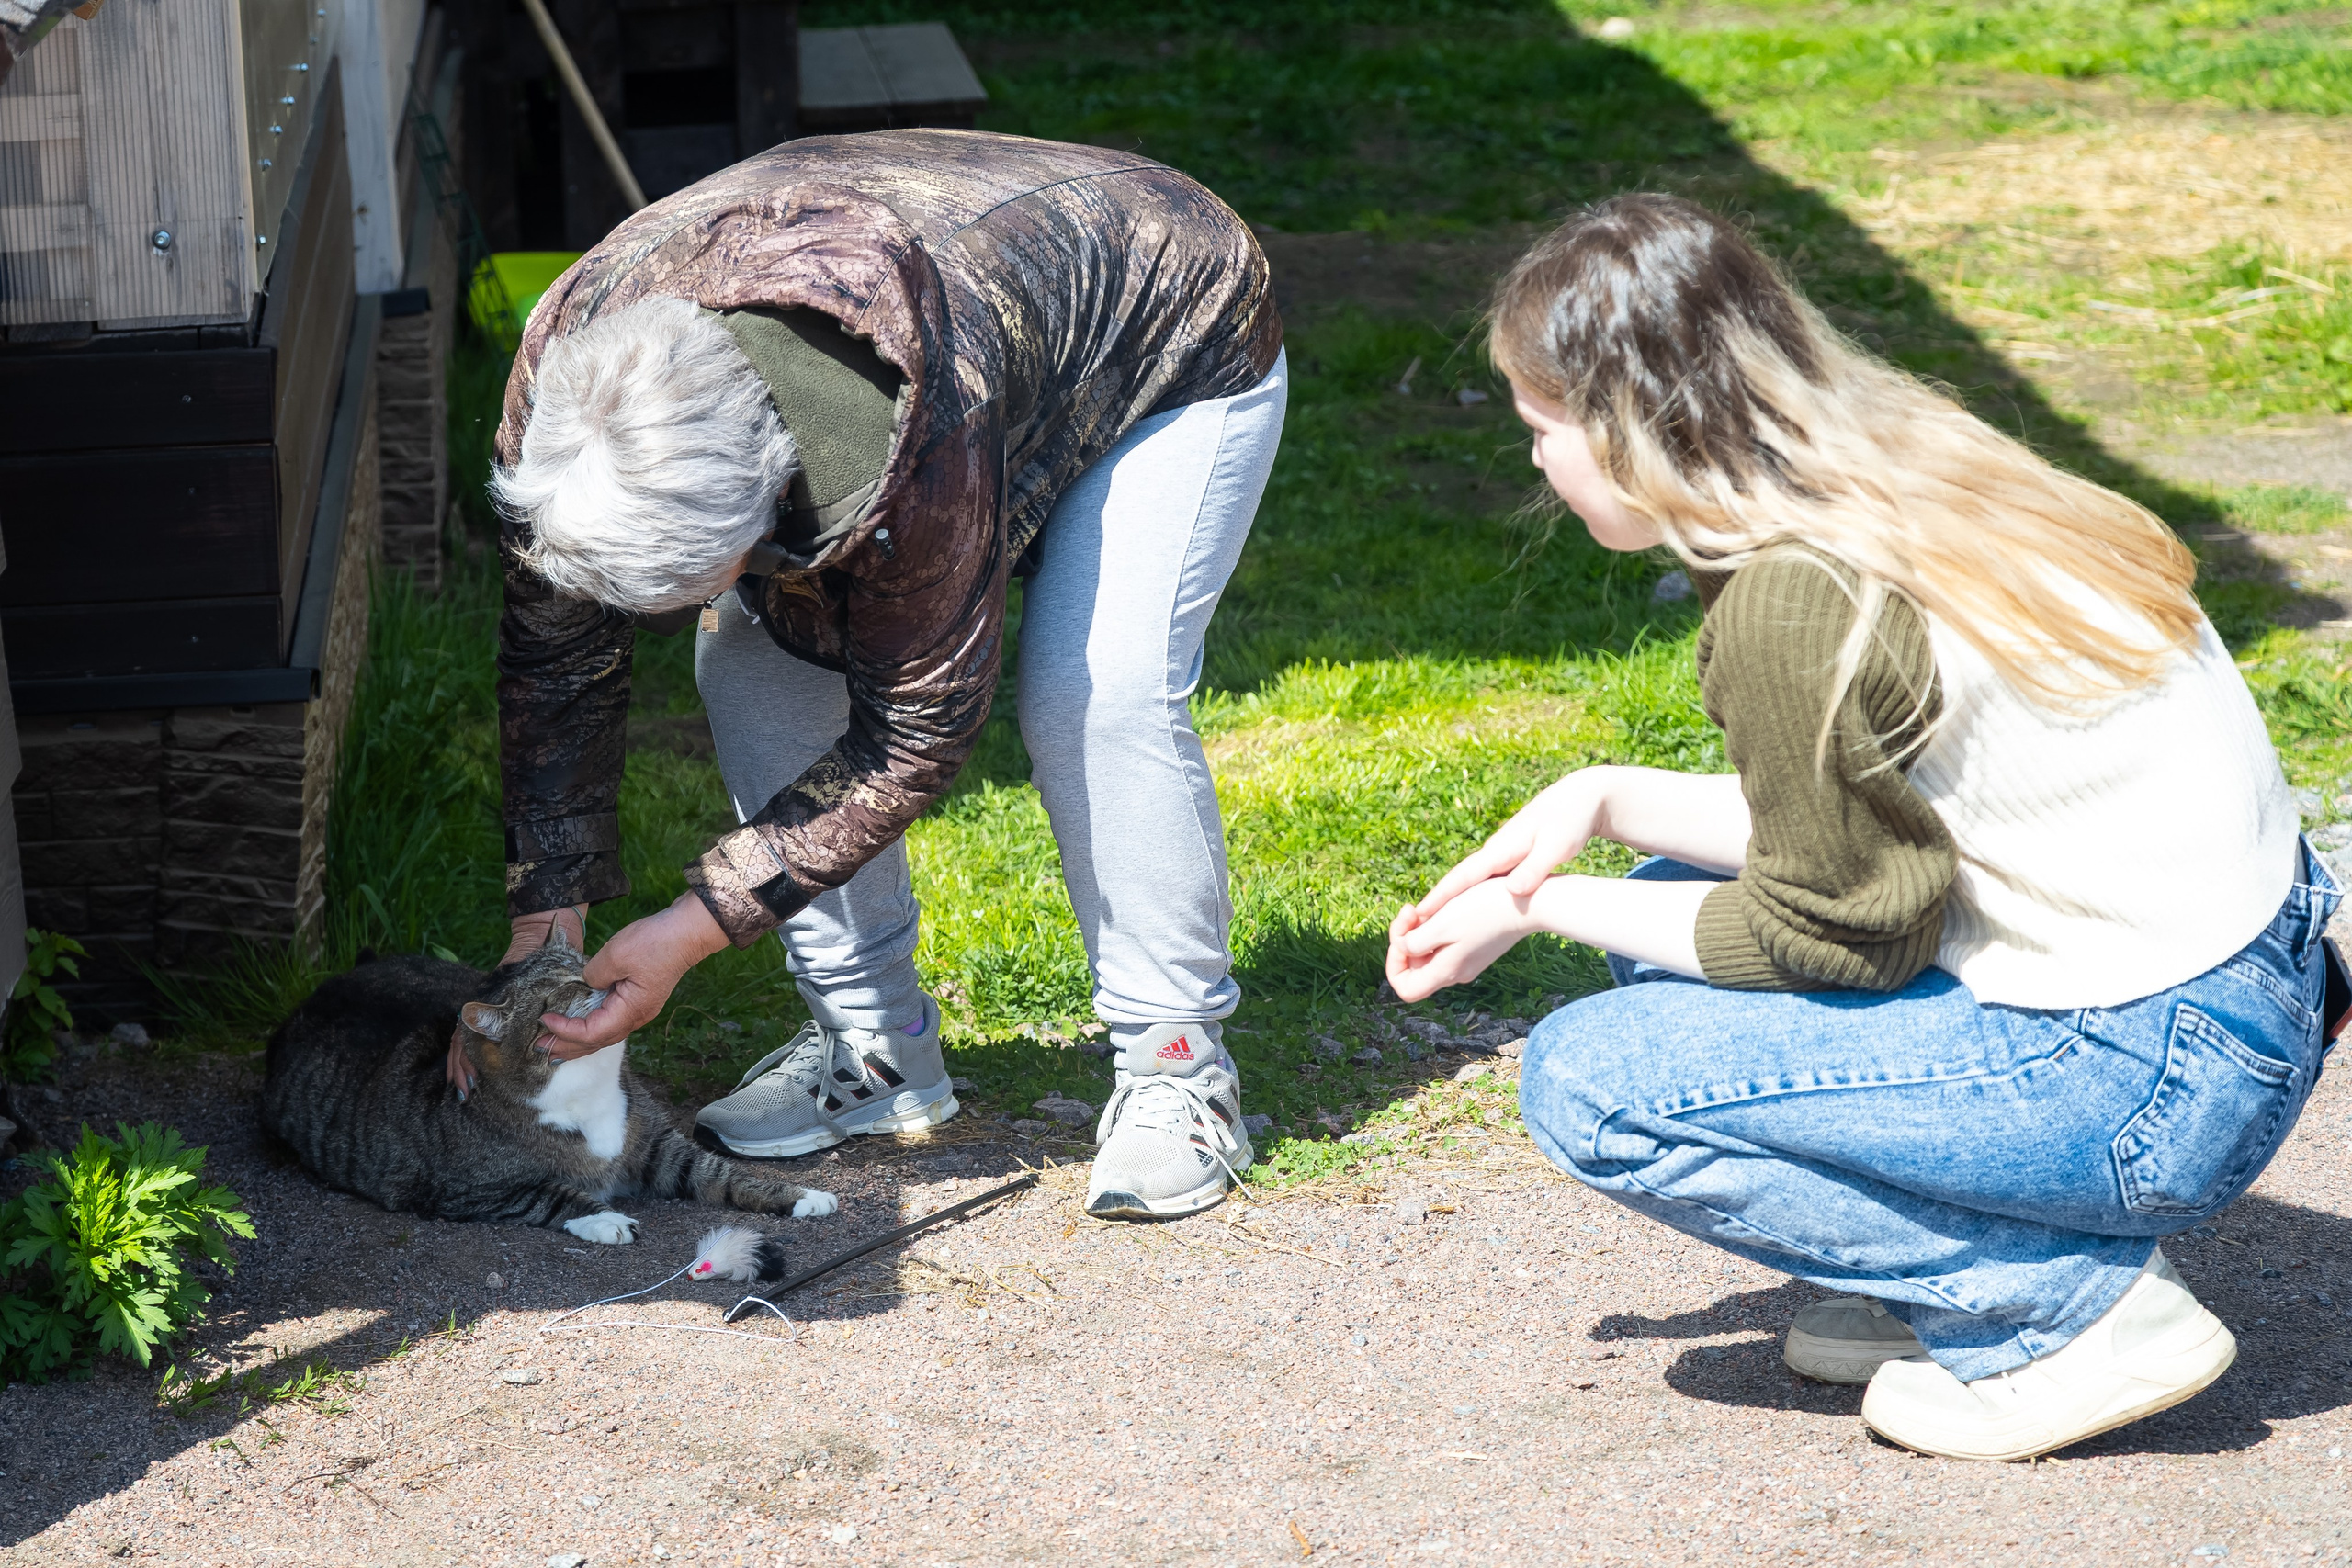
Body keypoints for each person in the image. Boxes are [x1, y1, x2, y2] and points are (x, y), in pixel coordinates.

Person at [1385, 193, 2332, 1461]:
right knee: (1661, 894)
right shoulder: (1911, 468)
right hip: (2252, 988)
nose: (1537, 461)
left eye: (1541, 427)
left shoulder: (1795, 599)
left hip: (2152, 1078)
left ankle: (2059, 1316)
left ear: (1622, 428)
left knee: (1590, 1081)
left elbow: (1841, 932)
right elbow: (1876, 836)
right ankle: (1919, 1285)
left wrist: (1538, 903)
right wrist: (1596, 799)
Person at [463, 130, 1285, 1221]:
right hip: (941, 274)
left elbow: (915, 731)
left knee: (1092, 687)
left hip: (1158, 330)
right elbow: (555, 656)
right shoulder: (569, 394)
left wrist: (694, 928)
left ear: (764, 494)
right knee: (751, 660)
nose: (641, 625)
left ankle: (1178, 1066)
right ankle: (875, 1051)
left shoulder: (912, 428)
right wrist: (545, 922)